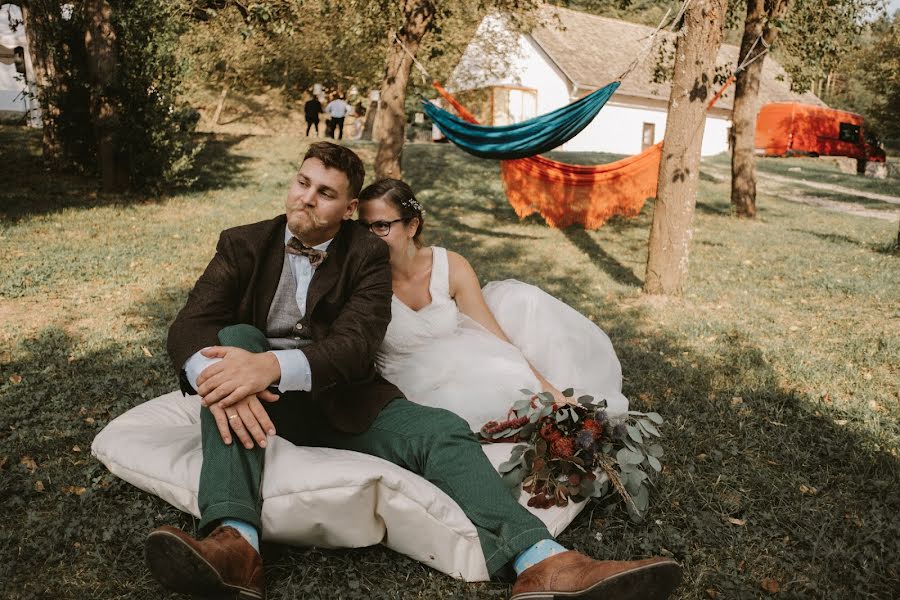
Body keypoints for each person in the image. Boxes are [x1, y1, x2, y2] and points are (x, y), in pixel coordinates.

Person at [145, 143, 681, 600]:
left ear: (348, 207)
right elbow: (189, 325)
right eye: (302, 183)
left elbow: (356, 347)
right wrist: (230, 377)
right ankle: (234, 548)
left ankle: (543, 562)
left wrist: (268, 367)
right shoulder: (242, 243)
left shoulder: (365, 255)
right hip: (257, 403)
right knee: (231, 342)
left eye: (325, 193)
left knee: (441, 429)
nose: (306, 198)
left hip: (341, 398)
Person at [356, 178, 630, 433]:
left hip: (467, 369)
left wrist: (549, 391)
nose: (370, 237)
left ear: (412, 226)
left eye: (381, 226)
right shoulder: (359, 280)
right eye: (364, 227)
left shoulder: (450, 267)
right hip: (409, 392)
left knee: (516, 373)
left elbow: (493, 335)